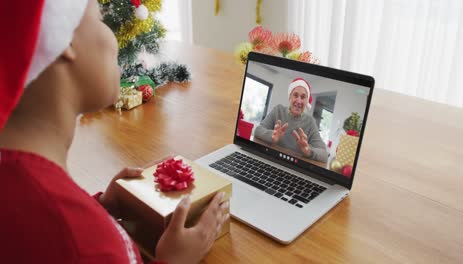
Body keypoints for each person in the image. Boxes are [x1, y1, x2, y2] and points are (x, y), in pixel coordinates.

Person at [0, 1, 228, 263]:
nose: (115, 37)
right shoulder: (93, 244)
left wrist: (99, 208)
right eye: (99, 19)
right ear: (65, 41)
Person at [254, 78, 328, 162]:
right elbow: (258, 130)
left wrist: (308, 151)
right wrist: (271, 137)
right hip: (271, 159)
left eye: (303, 97)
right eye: (295, 95)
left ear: (307, 101)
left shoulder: (310, 122)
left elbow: (324, 155)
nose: (299, 101)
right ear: (290, 97)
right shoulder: (278, 110)